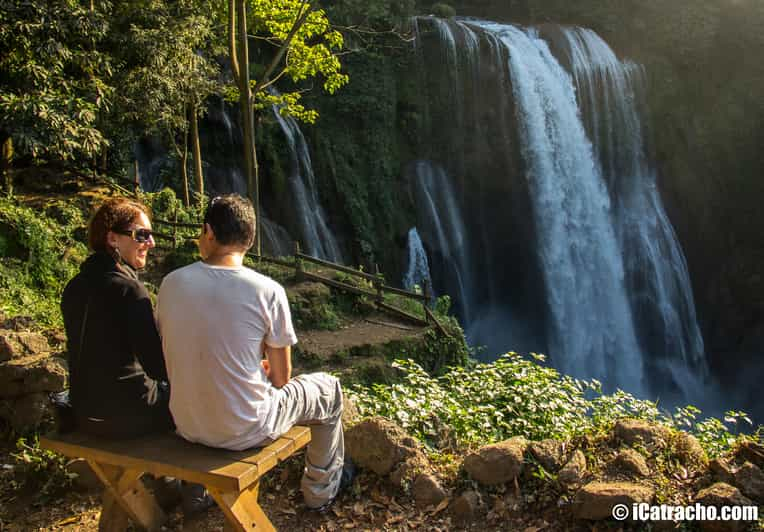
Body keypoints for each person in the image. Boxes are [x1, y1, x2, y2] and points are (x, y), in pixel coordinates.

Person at [157, 194, 349, 510]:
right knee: (329, 389)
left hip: (188, 425)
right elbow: (282, 378)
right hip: (246, 429)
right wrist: (255, 367)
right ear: (250, 239)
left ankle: (194, 493)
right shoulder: (267, 291)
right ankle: (320, 494)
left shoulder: (170, 284)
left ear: (208, 232)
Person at [60, 198, 173, 438]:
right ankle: (175, 476)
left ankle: (162, 478)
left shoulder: (73, 287)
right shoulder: (130, 291)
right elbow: (158, 368)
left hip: (84, 415)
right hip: (130, 416)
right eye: (142, 235)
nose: (151, 243)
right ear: (112, 239)